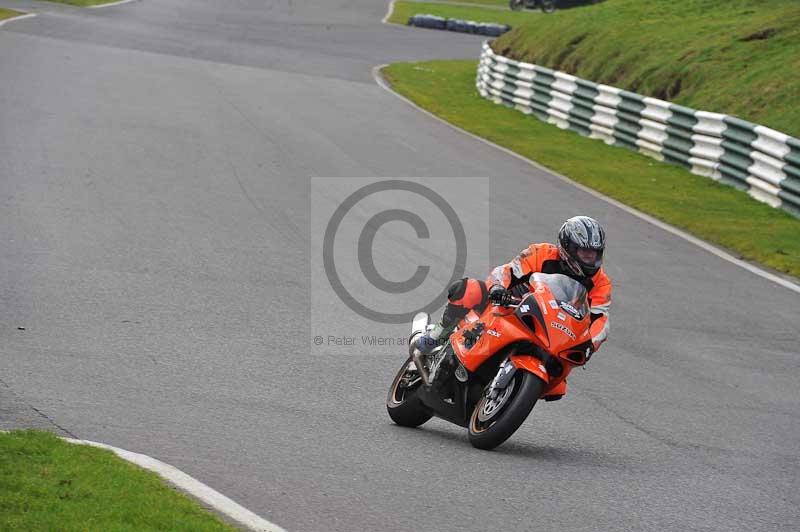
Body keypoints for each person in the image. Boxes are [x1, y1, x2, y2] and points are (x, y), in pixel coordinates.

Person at [413, 216, 611, 361]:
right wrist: (498, 288)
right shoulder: (541, 253)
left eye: (594, 253)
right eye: (584, 252)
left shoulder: (600, 282)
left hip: (551, 330)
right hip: (510, 306)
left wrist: (589, 344)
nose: (589, 258)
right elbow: (507, 271)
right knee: (469, 289)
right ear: (567, 246)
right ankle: (436, 336)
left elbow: (600, 320)